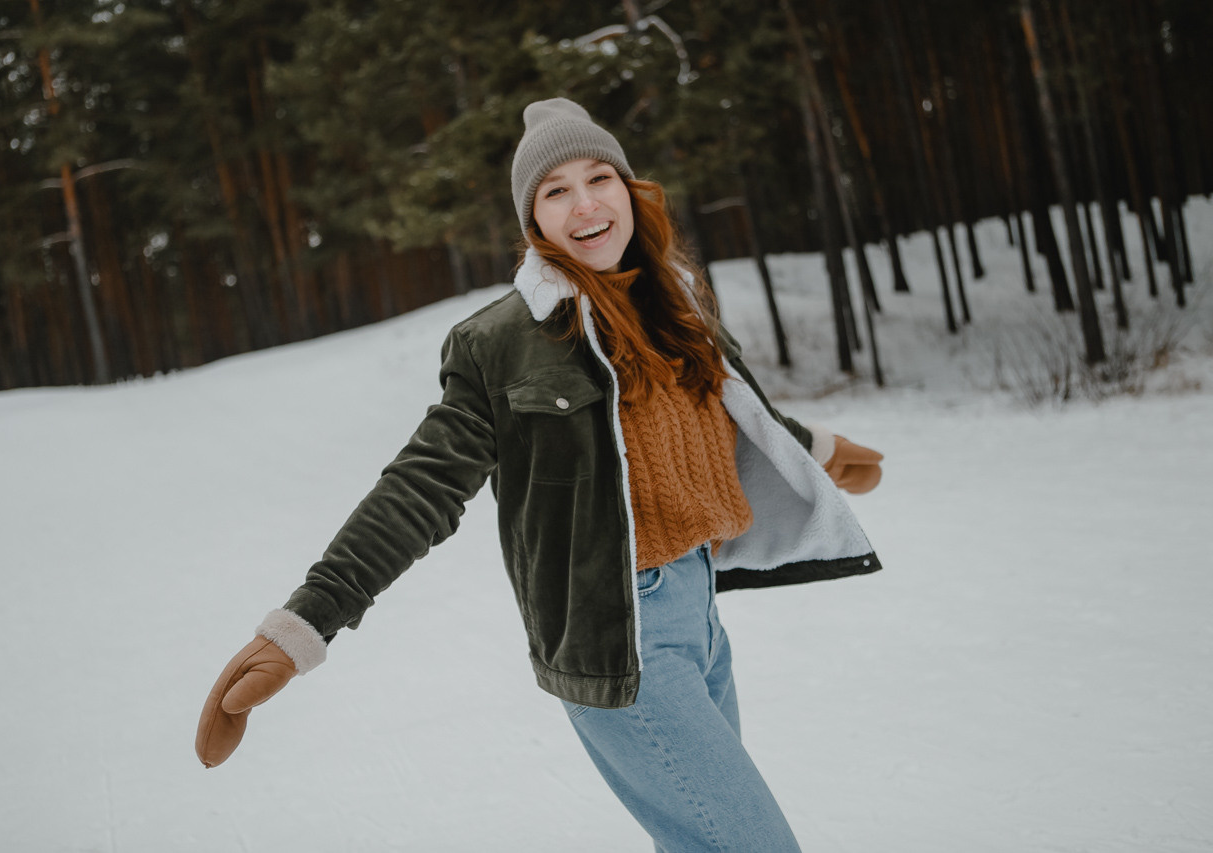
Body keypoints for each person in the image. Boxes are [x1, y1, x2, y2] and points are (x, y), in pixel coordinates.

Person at [196, 97, 884, 852]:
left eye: (599, 178)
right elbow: (420, 486)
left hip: (701, 612)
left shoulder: (670, 302)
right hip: (619, 637)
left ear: (629, 189)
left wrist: (816, 448)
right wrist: (303, 624)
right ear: (534, 220)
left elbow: (728, 411)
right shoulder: (504, 342)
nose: (585, 204)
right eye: (556, 190)